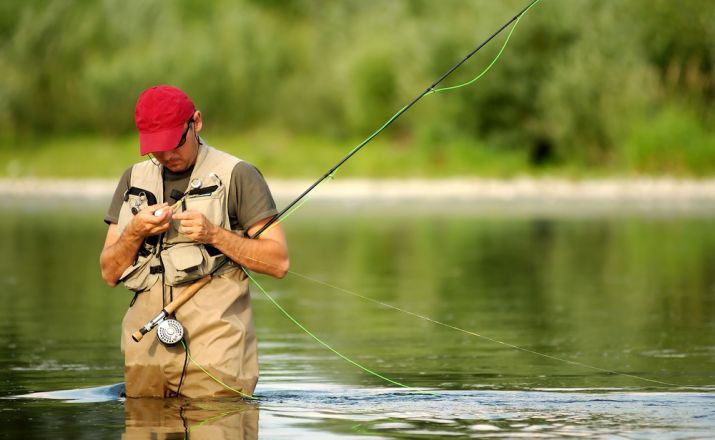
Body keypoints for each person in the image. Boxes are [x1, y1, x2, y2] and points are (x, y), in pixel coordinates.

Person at [100, 85, 289, 398]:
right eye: (156, 148)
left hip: (217, 358)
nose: (167, 156)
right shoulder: (132, 179)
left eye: (175, 143)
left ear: (196, 122)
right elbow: (109, 273)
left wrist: (214, 234)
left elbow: (279, 262)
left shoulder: (239, 175)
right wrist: (134, 230)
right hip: (144, 354)